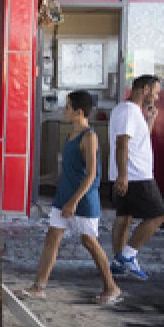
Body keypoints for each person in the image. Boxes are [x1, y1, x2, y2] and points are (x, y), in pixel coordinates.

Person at [21, 91, 121, 305]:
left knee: (89, 241)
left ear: (79, 111)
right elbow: (67, 169)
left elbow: (92, 174)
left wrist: (74, 201)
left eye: (67, 107)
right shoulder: (69, 135)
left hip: (82, 200)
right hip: (63, 197)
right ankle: (39, 286)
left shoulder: (89, 136)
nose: (63, 111)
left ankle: (111, 287)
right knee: (52, 240)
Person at [108, 74, 164, 280]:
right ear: (146, 89)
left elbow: (139, 141)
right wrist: (123, 175)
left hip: (130, 174)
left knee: (125, 217)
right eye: (156, 92)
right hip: (135, 175)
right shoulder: (128, 112)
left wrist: (150, 120)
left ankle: (117, 262)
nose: (157, 97)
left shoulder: (131, 111)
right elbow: (122, 143)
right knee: (158, 215)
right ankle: (128, 255)